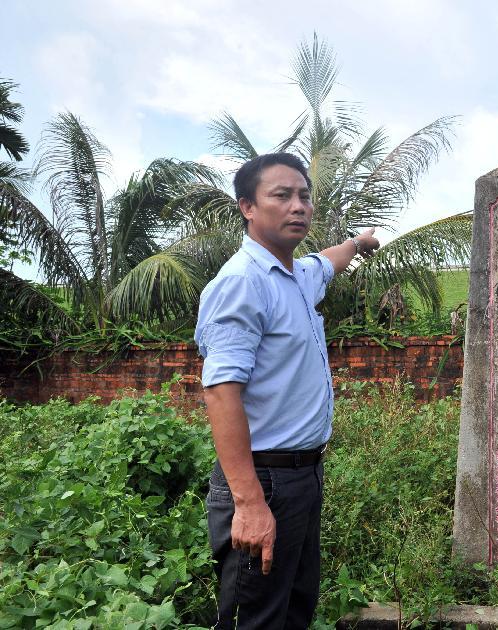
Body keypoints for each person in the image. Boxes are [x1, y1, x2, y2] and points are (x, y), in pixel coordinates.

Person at [195, 152, 379, 629]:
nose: (298, 206)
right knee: (258, 618)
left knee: (295, 609)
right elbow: (221, 392)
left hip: (303, 476)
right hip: (265, 481)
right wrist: (250, 503)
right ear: (247, 208)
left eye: (304, 195)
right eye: (281, 196)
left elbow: (328, 262)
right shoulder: (243, 282)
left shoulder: (296, 276)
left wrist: (358, 243)